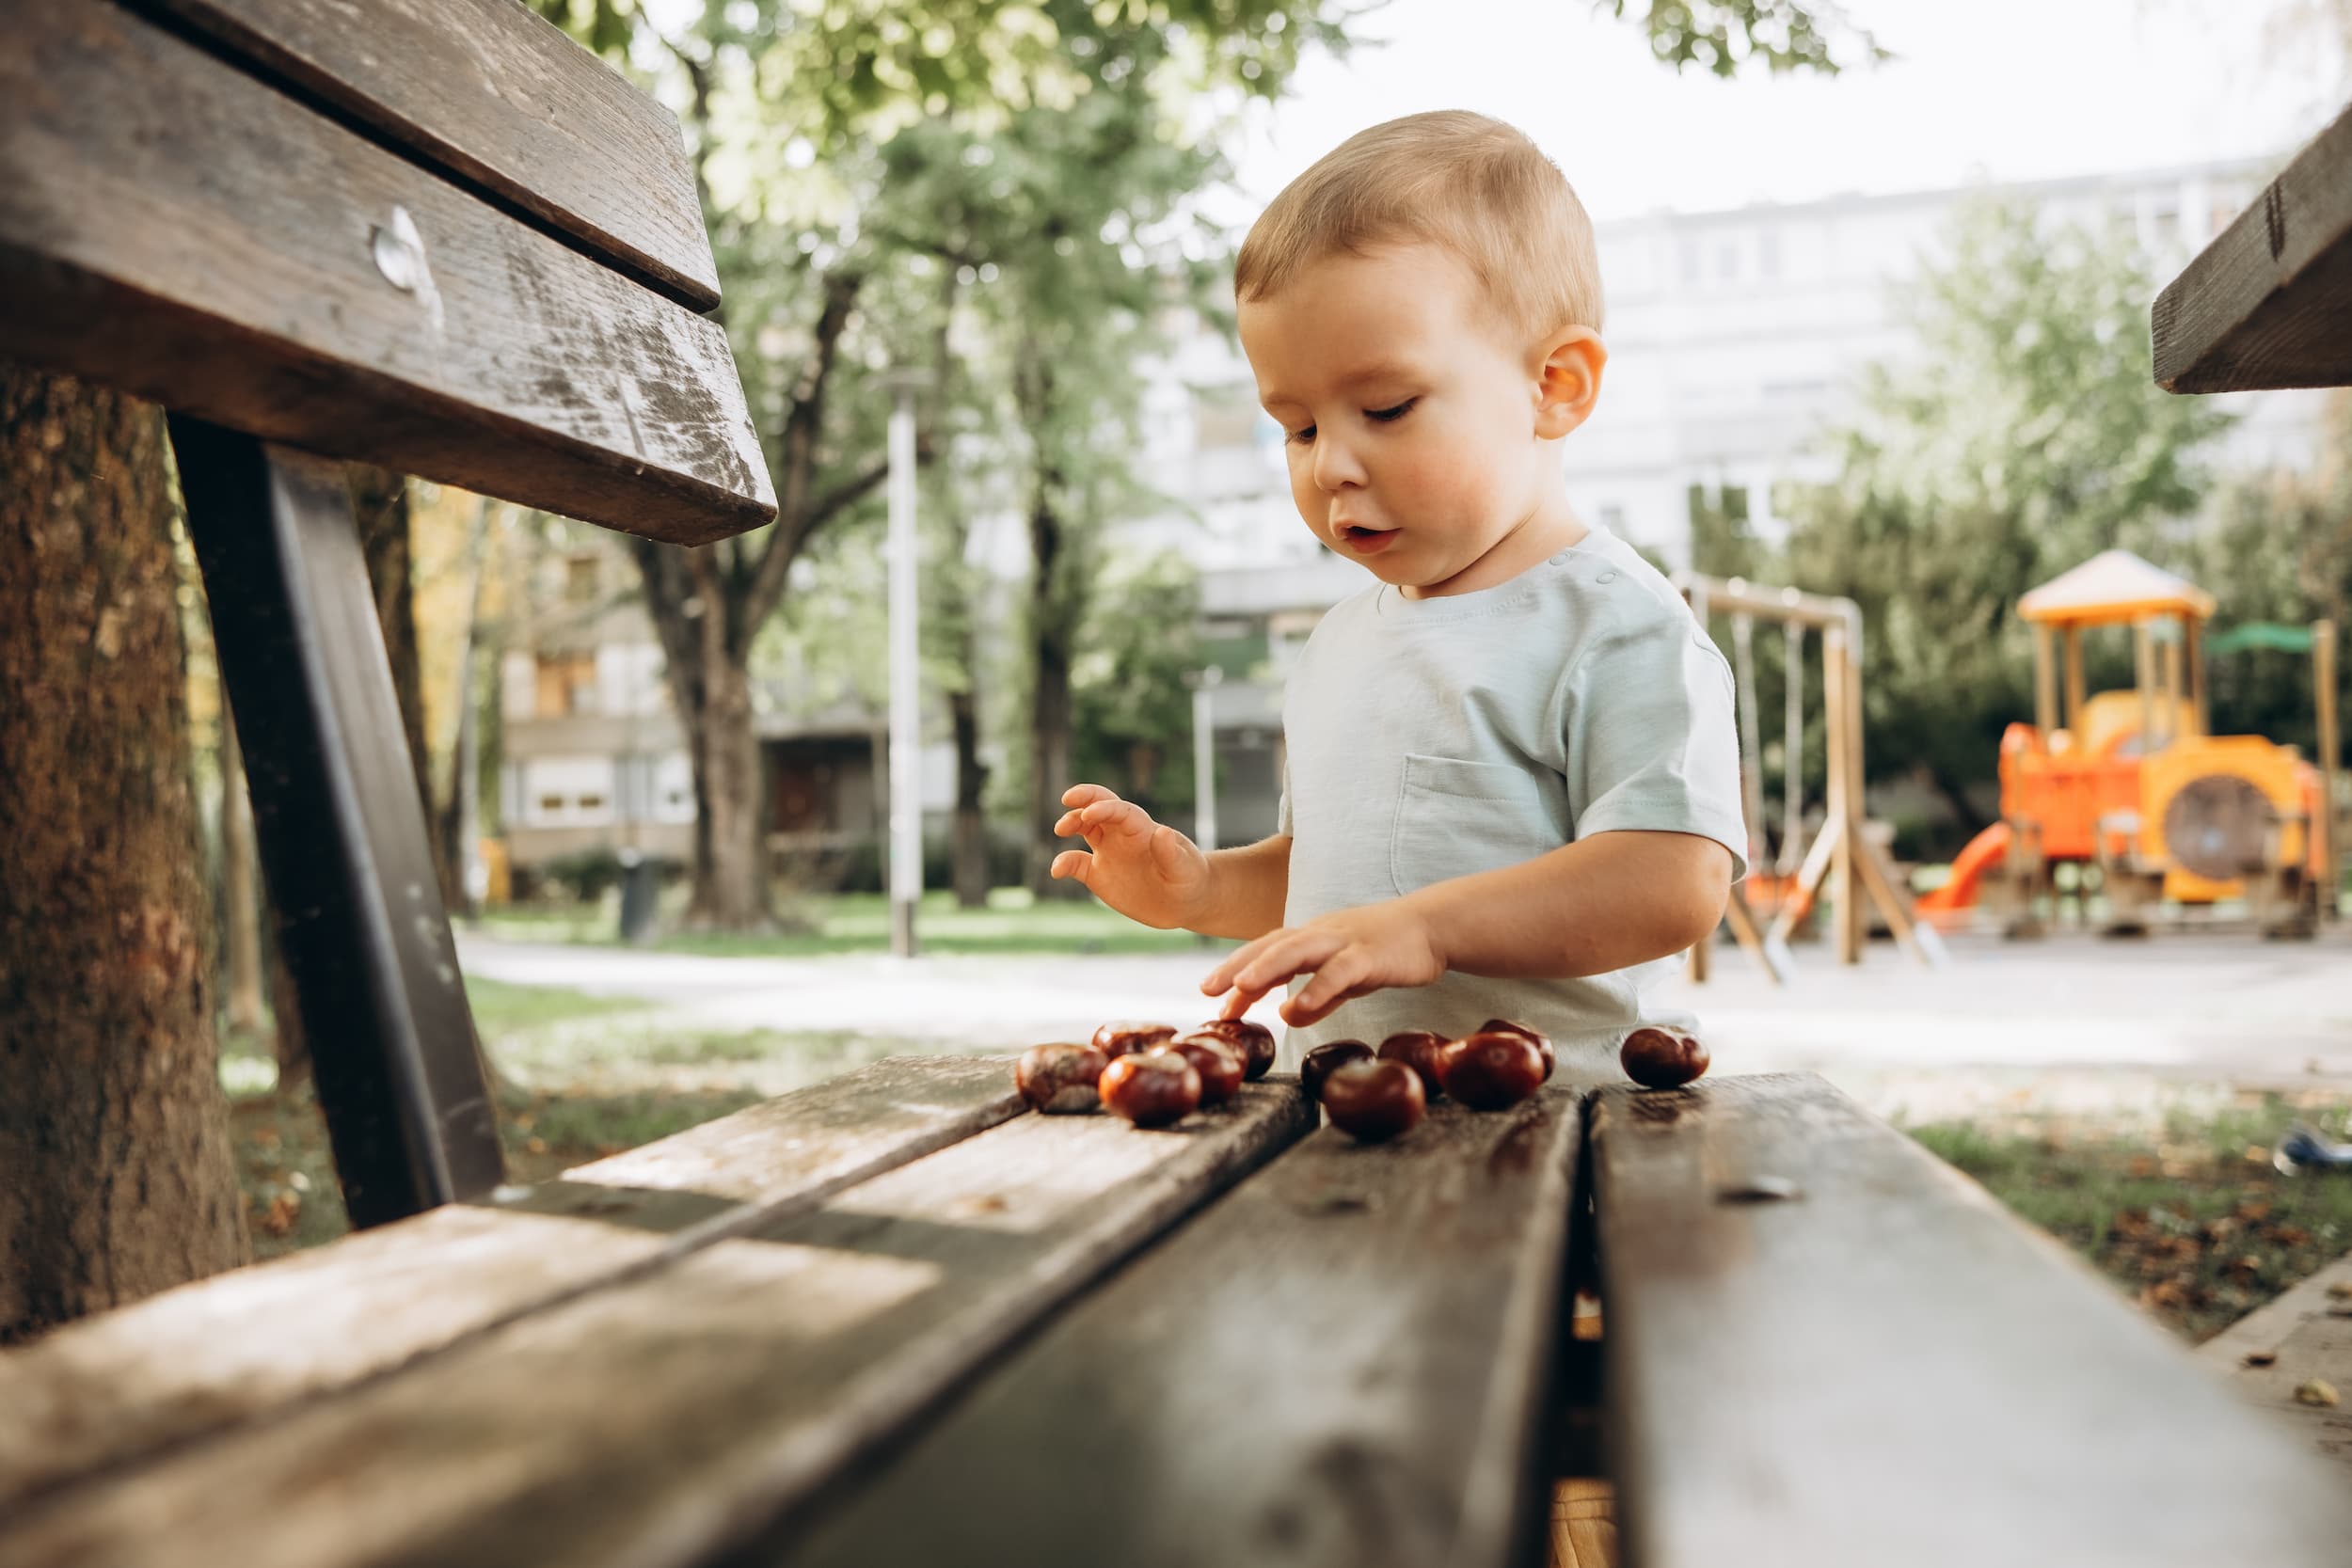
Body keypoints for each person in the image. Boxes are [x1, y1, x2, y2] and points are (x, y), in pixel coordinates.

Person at [1051, 110, 1745, 1083]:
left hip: (1572, 1126)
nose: (1331, 462)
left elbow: (1672, 879)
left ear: (1554, 384)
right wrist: (1204, 884)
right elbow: (1347, 878)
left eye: (1384, 409)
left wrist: (1428, 928)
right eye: (1294, 426)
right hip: (1346, 1117)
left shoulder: (1618, 627)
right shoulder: (1340, 641)